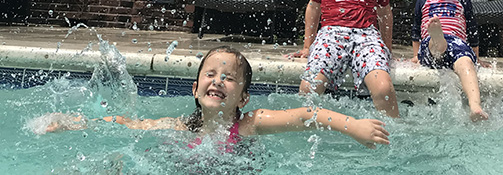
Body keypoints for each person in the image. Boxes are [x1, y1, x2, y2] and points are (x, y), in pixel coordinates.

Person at [45, 45, 390, 149]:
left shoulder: (251, 125)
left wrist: (354, 125)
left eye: (229, 78)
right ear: (194, 89)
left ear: (243, 98)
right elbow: (129, 123)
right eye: (210, 75)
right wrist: (80, 122)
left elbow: (305, 116)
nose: (218, 81)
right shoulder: (181, 126)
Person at [412, 0, 488, 121]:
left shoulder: (463, 1)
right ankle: (438, 37)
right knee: (435, 45)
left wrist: (475, 57)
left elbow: (472, 30)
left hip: (457, 44)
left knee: (466, 63)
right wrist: (416, 54)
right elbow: (416, 28)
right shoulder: (424, 1)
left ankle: (475, 107)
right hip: (430, 44)